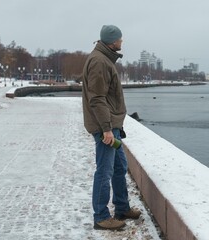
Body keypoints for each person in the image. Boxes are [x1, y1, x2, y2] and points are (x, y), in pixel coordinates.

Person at [82, 25, 141, 230]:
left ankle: (122, 208)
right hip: (105, 127)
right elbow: (97, 99)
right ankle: (101, 216)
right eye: (120, 39)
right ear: (111, 41)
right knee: (104, 171)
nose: (122, 42)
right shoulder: (99, 62)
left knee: (119, 167)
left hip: (112, 125)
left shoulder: (104, 59)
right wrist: (106, 129)